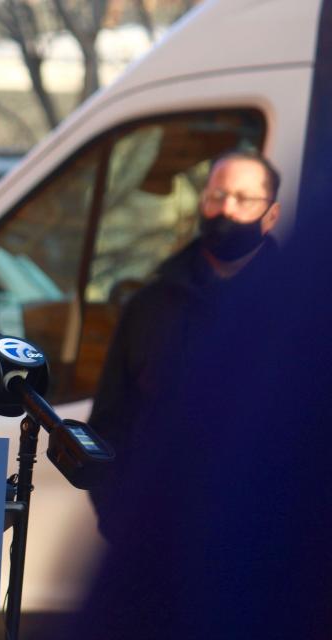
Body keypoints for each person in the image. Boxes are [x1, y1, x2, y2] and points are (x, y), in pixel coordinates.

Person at [87, 150, 282, 541]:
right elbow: (109, 426)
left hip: (259, 549)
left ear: (270, 215)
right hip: (154, 544)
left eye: (244, 199)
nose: (226, 209)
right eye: (216, 196)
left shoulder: (301, 309)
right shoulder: (150, 306)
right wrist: (121, 517)